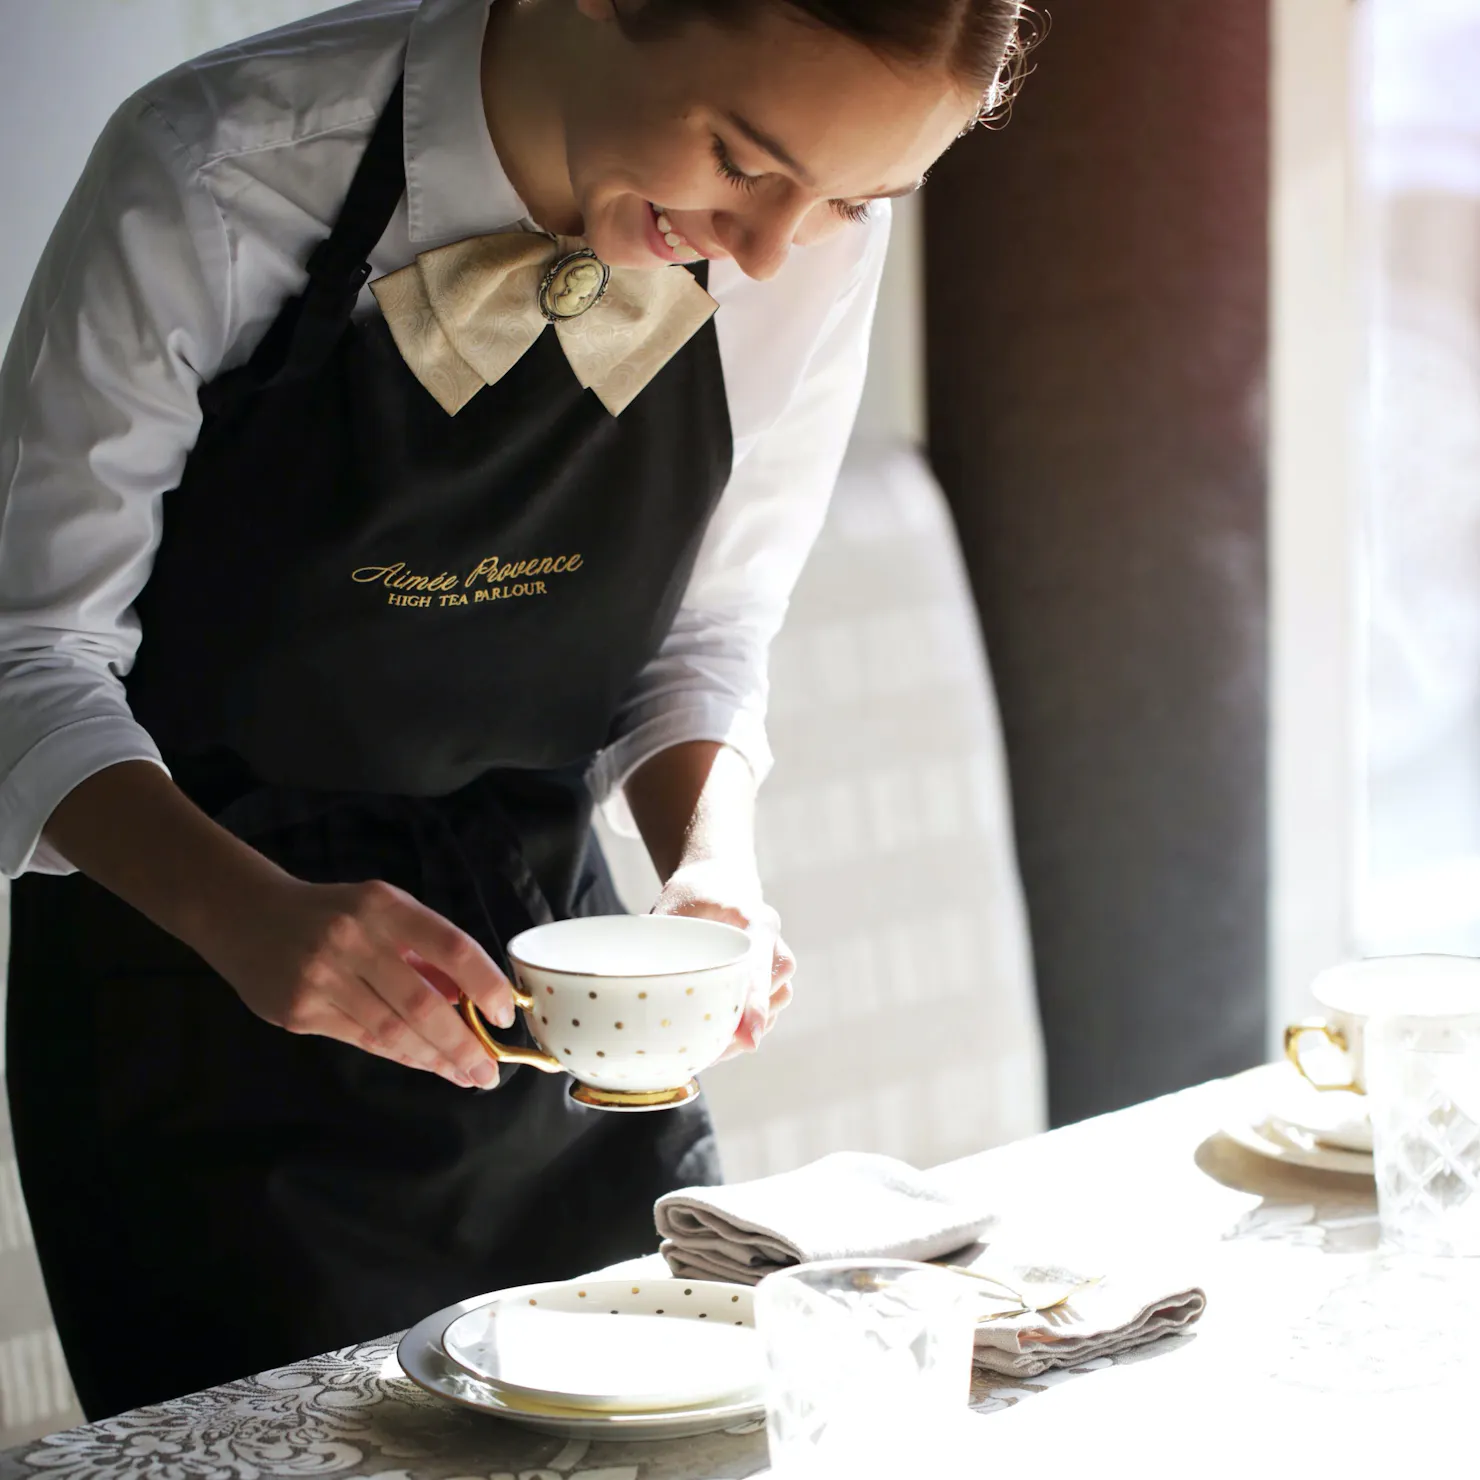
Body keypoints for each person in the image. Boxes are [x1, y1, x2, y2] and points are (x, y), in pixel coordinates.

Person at [0, 0, 1028, 1420]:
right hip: (191, 1005)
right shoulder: (218, 170)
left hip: (560, 1002)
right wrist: (249, 917)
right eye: (739, 156)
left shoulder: (796, 231)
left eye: (851, 198)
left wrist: (711, 867)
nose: (777, 247)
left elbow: (710, 632)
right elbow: (29, 655)